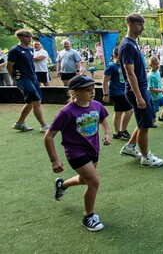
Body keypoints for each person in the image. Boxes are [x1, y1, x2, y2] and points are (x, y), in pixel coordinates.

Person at [44, 75, 110, 232]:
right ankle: (88, 216)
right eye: (87, 90)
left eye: (93, 89)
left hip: (93, 149)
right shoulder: (66, 112)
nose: (92, 93)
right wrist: (54, 160)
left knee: (84, 180)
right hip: (75, 152)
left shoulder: (96, 105)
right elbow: (48, 137)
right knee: (93, 182)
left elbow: (103, 120)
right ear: (74, 93)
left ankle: (62, 185)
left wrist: (107, 133)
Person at [118, 13, 163, 167]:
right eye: (140, 24)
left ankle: (130, 147)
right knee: (144, 126)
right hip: (136, 91)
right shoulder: (126, 45)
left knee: (148, 119)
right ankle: (145, 158)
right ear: (130, 23)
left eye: (143, 24)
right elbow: (129, 73)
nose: (143, 27)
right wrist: (138, 96)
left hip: (142, 89)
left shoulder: (133, 43)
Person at [7, 29, 49, 132]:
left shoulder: (30, 49)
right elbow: (9, 66)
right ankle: (44, 126)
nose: (30, 39)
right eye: (27, 37)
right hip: (22, 78)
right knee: (36, 101)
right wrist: (14, 79)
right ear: (20, 37)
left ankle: (19, 123)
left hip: (33, 78)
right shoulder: (14, 50)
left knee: (30, 101)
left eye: (30, 37)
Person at [102, 47, 133, 140]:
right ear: (115, 56)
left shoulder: (124, 66)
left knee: (118, 112)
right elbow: (105, 81)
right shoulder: (111, 67)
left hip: (124, 91)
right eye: (120, 56)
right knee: (129, 110)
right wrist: (105, 94)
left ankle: (116, 133)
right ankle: (123, 130)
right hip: (116, 93)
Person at [147, 56, 163, 124]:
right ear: (151, 65)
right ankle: (149, 121)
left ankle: (161, 117)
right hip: (154, 98)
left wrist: (162, 89)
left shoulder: (157, 72)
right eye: (155, 65)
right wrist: (162, 91)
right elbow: (151, 89)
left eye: (158, 64)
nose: (157, 66)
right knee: (154, 112)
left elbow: (159, 83)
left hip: (160, 96)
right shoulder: (150, 76)